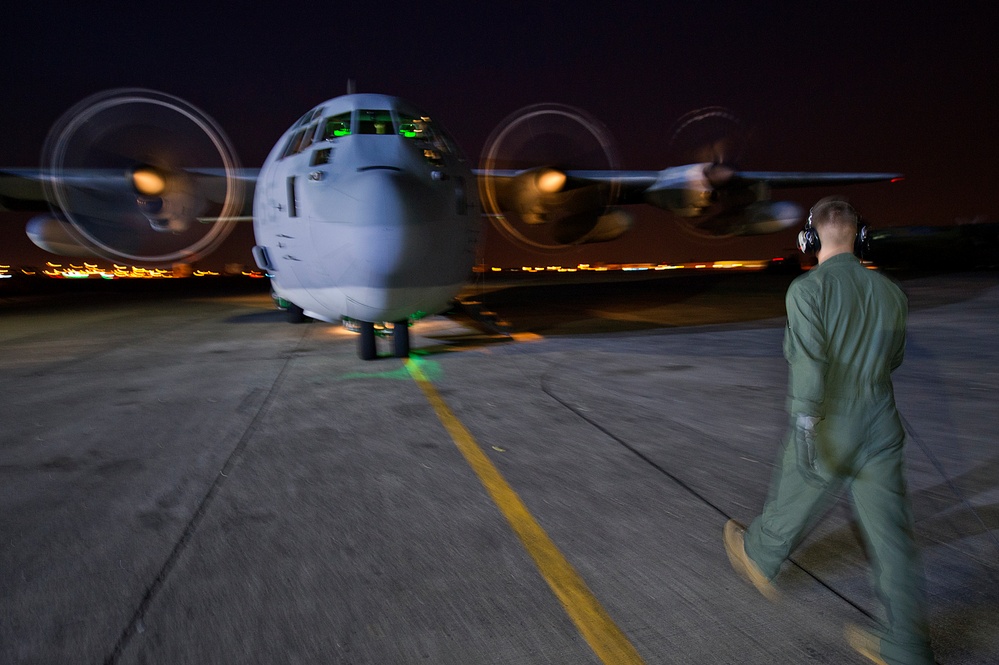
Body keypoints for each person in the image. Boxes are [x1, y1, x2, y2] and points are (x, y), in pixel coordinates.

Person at [723, 197, 934, 665]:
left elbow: (809, 363)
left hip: (828, 422)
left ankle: (760, 554)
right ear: (861, 238)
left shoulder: (807, 291)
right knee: (892, 536)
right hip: (881, 425)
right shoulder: (891, 293)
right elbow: (893, 359)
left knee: (792, 495)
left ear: (810, 239)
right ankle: (907, 646)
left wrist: (804, 422)